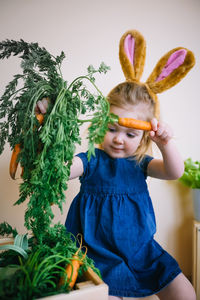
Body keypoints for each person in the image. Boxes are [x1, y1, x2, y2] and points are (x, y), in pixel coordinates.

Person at [36, 82, 196, 300]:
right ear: (100, 124)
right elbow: (60, 171)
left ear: (144, 136)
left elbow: (174, 172)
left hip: (142, 252)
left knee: (185, 292)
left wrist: (165, 142)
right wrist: (51, 127)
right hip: (98, 255)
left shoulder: (140, 163)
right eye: (112, 129)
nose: (119, 139)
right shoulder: (90, 161)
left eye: (131, 134)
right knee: (105, 296)